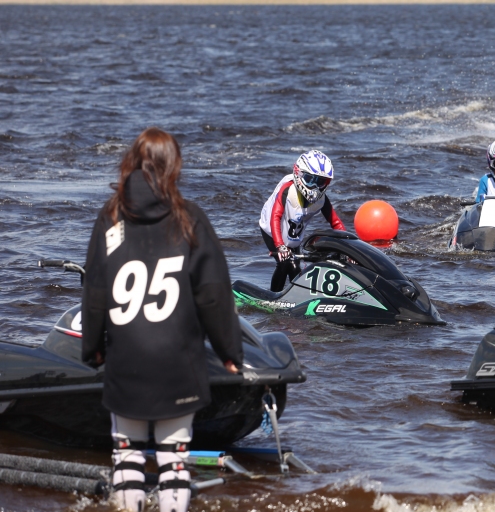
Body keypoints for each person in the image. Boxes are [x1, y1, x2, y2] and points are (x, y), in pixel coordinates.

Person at [82, 128, 243, 512]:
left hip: (126, 362)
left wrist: (93, 350)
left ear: (131, 163)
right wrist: (229, 352)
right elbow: (214, 295)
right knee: (174, 459)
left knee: (128, 455)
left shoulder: (111, 217)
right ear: (174, 168)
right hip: (178, 363)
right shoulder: (189, 219)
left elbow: (95, 291)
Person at [259, 150, 346, 291]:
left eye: (321, 182)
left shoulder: (321, 200)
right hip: (271, 230)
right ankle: (274, 296)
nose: (314, 187)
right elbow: (275, 217)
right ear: (298, 174)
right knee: (285, 263)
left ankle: (295, 296)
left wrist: (348, 247)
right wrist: (280, 246)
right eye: (310, 179)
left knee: (295, 268)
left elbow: (336, 223)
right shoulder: (287, 191)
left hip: (293, 235)